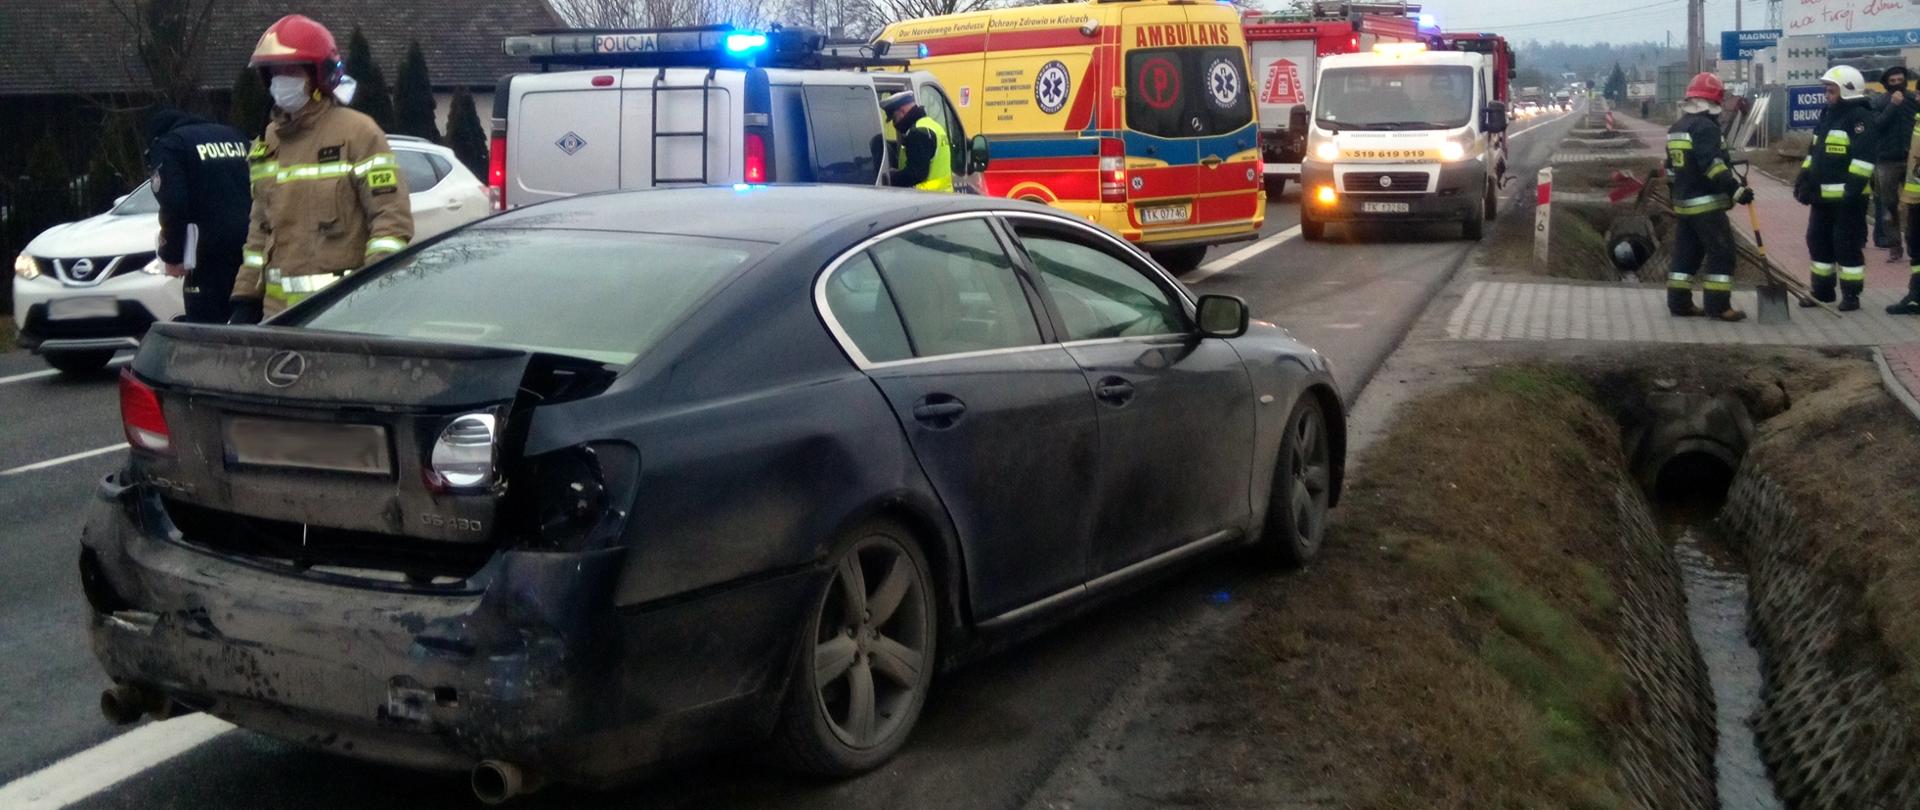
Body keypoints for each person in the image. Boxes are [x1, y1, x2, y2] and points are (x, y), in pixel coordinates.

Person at [228, 14, 412, 325]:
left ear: (319, 76)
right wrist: (245, 297)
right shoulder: (268, 141)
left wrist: (371, 292)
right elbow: (259, 229)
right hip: (278, 318)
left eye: (291, 70)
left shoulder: (358, 133)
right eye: (274, 72)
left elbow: (391, 222)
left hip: (342, 317)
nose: (280, 81)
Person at [145, 109, 252, 324]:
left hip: (207, 255)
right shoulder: (235, 135)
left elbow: (175, 204)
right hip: (251, 247)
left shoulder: (171, 144)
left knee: (206, 328)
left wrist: (172, 255)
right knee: (246, 320)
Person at [1665, 73, 1751, 322]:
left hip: (1684, 205)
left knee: (1686, 256)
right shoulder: (1706, 128)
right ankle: (1718, 306)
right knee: (1722, 253)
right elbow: (1713, 166)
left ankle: (1679, 303)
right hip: (1706, 205)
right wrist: (1736, 190)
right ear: (1713, 101)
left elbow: (1669, 170)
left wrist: (1676, 196)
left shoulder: (1676, 128)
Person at [1795, 65, 1876, 312]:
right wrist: (1804, 179)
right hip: (1822, 197)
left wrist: (1852, 191)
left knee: (1846, 245)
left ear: (1847, 91)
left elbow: (1863, 160)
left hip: (1848, 199)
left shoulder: (1860, 118)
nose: (1826, 95)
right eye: (1826, 90)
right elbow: (1814, 152)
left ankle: (1851, 295)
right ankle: (1822, 291)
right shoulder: (1827, 115)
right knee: (1817, 241)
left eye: (1831, 91)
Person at [1870, 66, 1917, 261]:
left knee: (1915, 205)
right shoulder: (1879, 102)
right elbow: (1876, 126)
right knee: (1889, 206)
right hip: (1887, 161)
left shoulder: (1913, 100)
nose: (1898, 84)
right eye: (1893, 81)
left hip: (1912, 161)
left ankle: (1914, 246)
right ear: (1886, 84)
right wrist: (1892, 105)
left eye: (1901, 80)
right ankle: (1894, 246)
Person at [880, 91, 953, 193]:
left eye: (894, 118)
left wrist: (890, 177)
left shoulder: (918, 132)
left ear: (902, 111)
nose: (894, 124)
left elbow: (916, 174)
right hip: (941, 196)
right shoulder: (934, 126)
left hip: (925, 197)